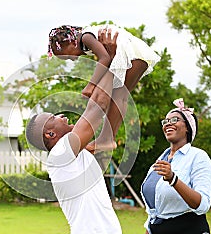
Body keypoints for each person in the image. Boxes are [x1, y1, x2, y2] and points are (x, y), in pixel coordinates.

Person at [26, 31, 122, 234]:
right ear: (50, 133)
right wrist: (108, 58)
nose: (63, 116)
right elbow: (96, 105)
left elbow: (111, 104)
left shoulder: (69, 156)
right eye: (55, 117)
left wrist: (113, 65)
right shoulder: (60, 153)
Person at [48, 24, 160, 152]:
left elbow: (105, 58)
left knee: (117, 96)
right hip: (138, 55)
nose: (72, 60)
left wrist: (91, 85)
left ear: (69, 42)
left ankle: (107, 139)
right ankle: (108, 139)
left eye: (68, 56)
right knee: (120, 96)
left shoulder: (86, 37)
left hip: (129, 54)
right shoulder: (86, 39)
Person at [136, 98, 211, 234]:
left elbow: (202, 205)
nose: (168, 123)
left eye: (174, 119)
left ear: (187, 127)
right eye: (165, 121)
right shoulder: (160, 160)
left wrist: (173, 179)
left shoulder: (198, 157)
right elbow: (154, 213)